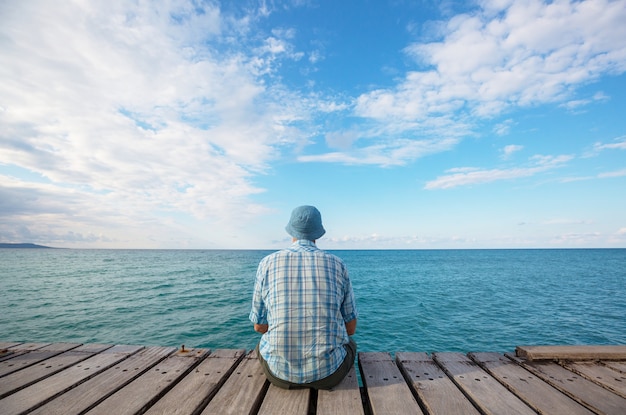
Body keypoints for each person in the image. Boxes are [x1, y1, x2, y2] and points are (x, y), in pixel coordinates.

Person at [249, 205, 358, 390]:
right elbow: (351, 328)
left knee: (263, 344)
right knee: (351, 344)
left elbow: (259, 327)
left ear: (290, 229)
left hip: (279, 375)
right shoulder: (337, 264)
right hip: (329, 374)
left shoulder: (267, 263)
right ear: (318, 233)